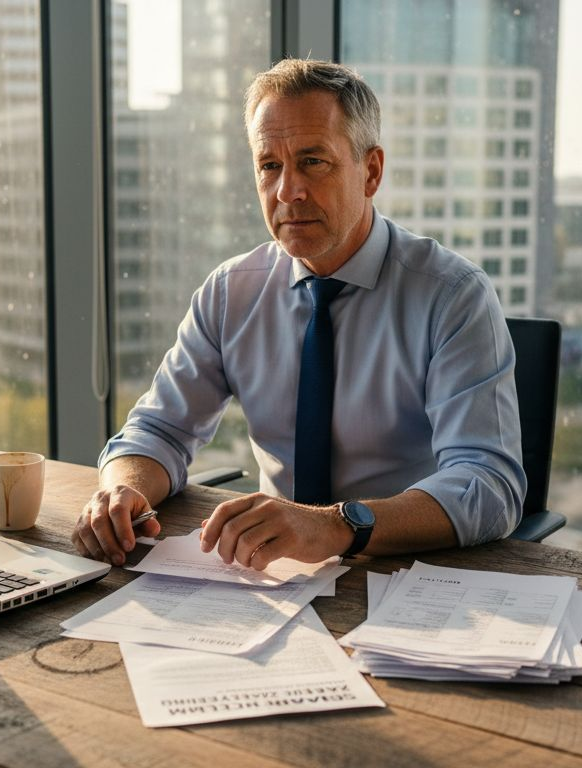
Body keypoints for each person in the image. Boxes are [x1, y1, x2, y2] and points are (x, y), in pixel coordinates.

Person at [71, 59, 524, 570]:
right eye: (270, 166)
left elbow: (488, 485)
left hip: (404, 574)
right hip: (271, 574)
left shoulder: (452, 294)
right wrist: (123, 490)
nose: (288, 191)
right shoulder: (230, 291)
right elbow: (158, 432)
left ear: (371, 171)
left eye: (313, 161)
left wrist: (335, 526)